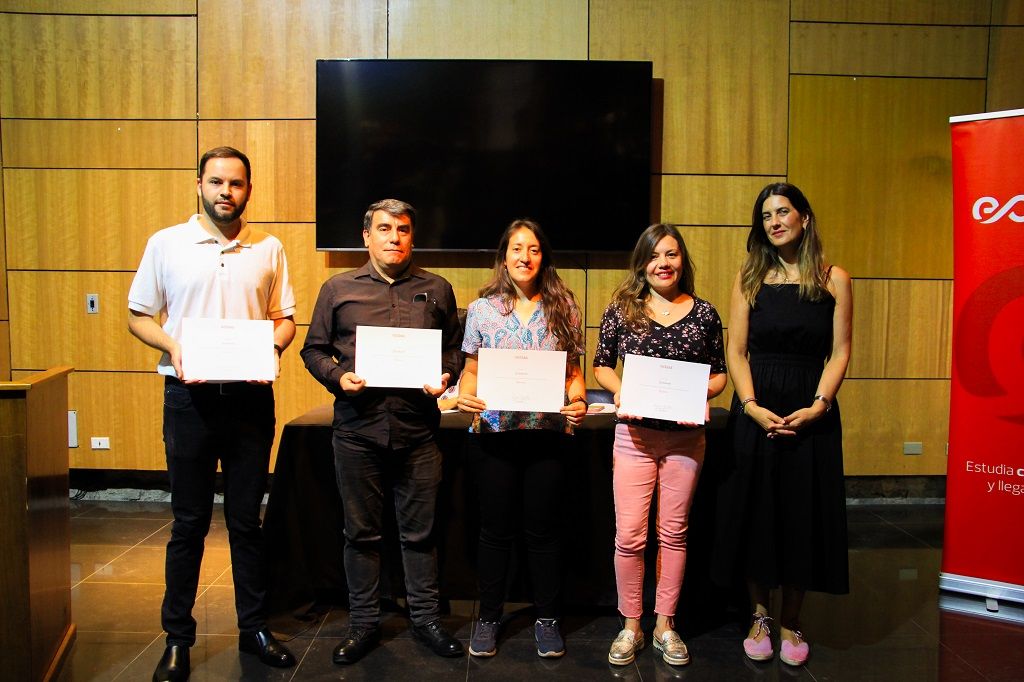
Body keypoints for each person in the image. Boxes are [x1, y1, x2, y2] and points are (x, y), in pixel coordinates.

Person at [127, 146, 297, 682]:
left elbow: (284, 318)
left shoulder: (268, 247)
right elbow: (138, 316)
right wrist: (174, 346)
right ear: (199, 184)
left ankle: (255, 628)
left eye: (237, 183)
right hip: (189, 400)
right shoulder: (166, 243)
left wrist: (272, 348)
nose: (227, 192)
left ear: (249, 190)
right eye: (217, 182)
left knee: (247, 522)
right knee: (189, 523)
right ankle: (178, 638)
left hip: (250, 399)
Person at [300, 199, 465, 665]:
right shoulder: (338, 288)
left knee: (421, 533)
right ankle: (363, 624)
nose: (395, 237)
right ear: (366, 236)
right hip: (358, 431)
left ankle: (426, 620)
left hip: (419, 432)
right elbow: (314, 350)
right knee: (361, 534)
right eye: (385, 229)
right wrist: (338, 378)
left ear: (413, 237)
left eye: (404, 229)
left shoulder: (438, 289)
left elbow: (454, 349)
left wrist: (446, 375)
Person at [711, 182, 852, 667]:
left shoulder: (834, 279)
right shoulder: (749, 278)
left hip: (812, 411)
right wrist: (749, 405)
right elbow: (735, 351)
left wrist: (819, 405)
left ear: (804, 218)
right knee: (757, 511)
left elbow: (841, 352)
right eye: (766, 215)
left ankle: (792, 619)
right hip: (757, 407)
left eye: (783, 211)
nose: (774, 221)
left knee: (801, 512)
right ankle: (759, 616)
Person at [594, 224, 727, 667]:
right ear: (642, 263)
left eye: (671, 254)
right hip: (634, 437)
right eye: (654, 256)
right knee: (630, 536)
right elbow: (601, 365)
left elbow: (719, 375)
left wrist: (698, 393)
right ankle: (631, 625)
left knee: (673, 533)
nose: (663, 263)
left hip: (685, 439)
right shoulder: (622, 308)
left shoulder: (705, 313)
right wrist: (620, 390)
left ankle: (665, 625)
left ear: (682, 261)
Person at [456, 219, 588, 659]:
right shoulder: (482, 309)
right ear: (504, 256)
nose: (524, 257)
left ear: (543, 257)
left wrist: (578, 400)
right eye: (516, 248)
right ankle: (489, 617)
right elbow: (471, 370)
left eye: (533, 249)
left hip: (548, 436)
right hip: (494, 435)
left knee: (544, 532)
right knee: (494, 531)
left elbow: (573, 372)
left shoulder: (564, 306)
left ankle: (547, 618)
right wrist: (467, 395)